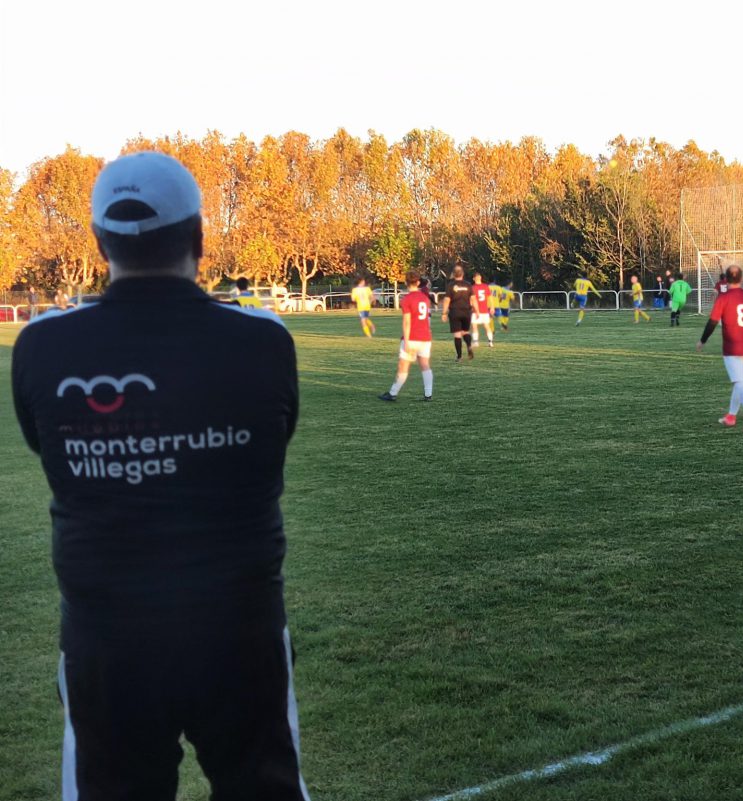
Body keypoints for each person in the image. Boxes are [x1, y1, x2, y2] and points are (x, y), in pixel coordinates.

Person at [10, 151, 310, 799]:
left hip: (107, 643)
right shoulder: (263, 341)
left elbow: (49, 451)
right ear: (200, 236)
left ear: (98, 242)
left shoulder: (43, 346)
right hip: (241, 633)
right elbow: (270, 444)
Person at [696, 265, 743, 429]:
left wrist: (703, 340)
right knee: (740, 382)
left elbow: (712, 322)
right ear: (742, 278)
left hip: (732, 348)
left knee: (739, 382)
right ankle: (731, 416)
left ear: (726, 279)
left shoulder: (723, 299)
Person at [379, 271, 433, 401]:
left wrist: (407, 341)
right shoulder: (425, 298)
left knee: (403, 366)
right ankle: (428, 395)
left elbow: (407, 321)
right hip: (425, 336)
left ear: (406, 283)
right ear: (418, 282)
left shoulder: (407, 299)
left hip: (413, 337)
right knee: (425, 365)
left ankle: (392, 393)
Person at [442, 264, 475, 361]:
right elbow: (473, 299)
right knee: (465, 332)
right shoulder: (468, 285)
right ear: (463, 274)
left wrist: (444, 313)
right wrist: (476, 310)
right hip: (466, 312)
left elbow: (447, 300)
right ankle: (469, 346)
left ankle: (459, 356)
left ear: (453, 274)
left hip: (455, 312)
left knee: (457, 334)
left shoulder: (450, 286)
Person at [470, 272, 494, 348]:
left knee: (474, 326)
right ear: (480, 278)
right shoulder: (485, 286)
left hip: (475, 310)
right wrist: (492, 307)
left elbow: (471, 299)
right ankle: (490, 342)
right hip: (484, 310)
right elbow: (490, 297)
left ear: (474, 279)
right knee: (487, 326)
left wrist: (469, 306)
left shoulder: (472, 287)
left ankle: (476, 342)